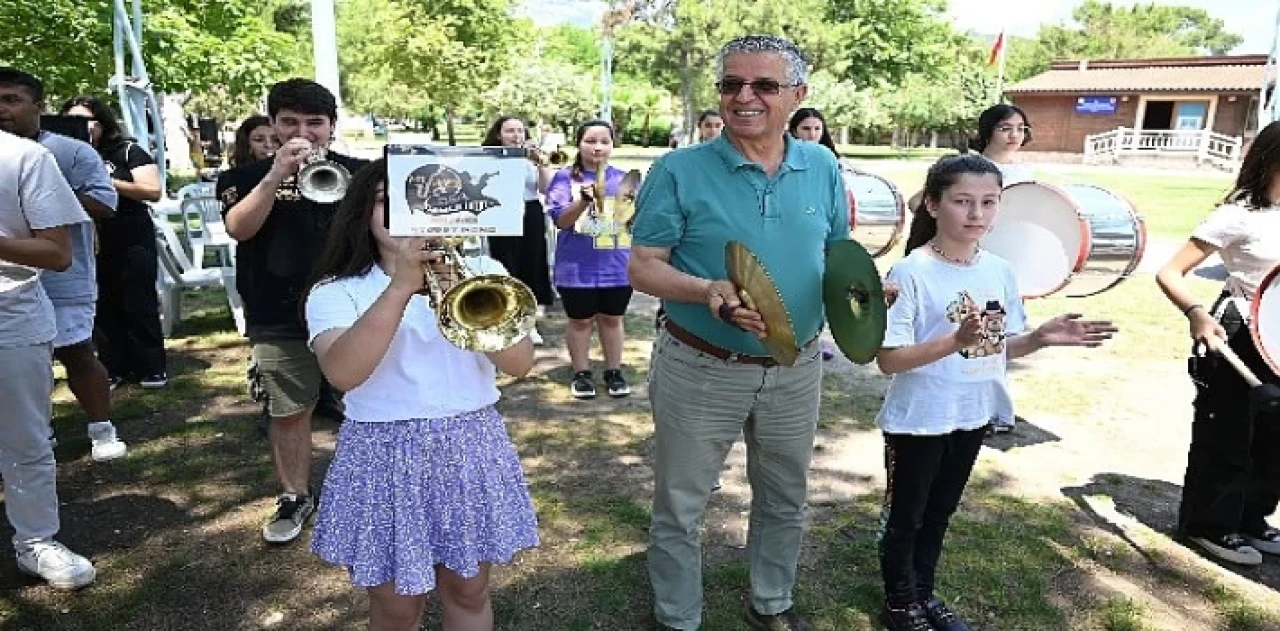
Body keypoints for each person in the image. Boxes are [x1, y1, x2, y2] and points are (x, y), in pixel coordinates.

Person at [629, 35, 848, 631]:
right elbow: (643, 265)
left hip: (795, 366)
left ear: (798, 96)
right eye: (731, 84)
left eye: (764, 85)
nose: (743, 97)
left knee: (784, 499)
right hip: (700, 366)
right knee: (681, 505)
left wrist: (862, 293)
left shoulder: (823, 165)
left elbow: (835, 253)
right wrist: (707, 291)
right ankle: (678, 618)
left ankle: (770, 603)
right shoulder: (678, 170)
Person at [875, 154, 1115, 631]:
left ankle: (923, 596)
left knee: (940, 514)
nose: (976, 214)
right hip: (920, 418)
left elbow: (995, 350)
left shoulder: (1001, 271)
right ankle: (901, 604)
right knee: (907, 518)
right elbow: (888, 359)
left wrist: (1040, 338)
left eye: (988, 202)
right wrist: (954, 340)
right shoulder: (911, 272)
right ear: (934, 205)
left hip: (972, 414)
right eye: (963, 202)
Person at [304, 159, 539, 631]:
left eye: (424, 199)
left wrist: (459, 287)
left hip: (470, 445)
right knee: (398, 605)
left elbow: (520, 364)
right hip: (382, 454)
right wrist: (401, 288)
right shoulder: (336, 291)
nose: (408, 211)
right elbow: (343, 374)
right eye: (388, 200)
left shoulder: (484, 271)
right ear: (362, 214)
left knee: (469, 591)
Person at [216, 78, 369, 544]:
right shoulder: (242, 177)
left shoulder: (361, 174)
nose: (303, 131)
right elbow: (239, 229)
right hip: (277, 310)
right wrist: (273, 175)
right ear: (275, 126)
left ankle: (370, 488)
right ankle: (295, 494)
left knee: (370, 403)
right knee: (288, 410)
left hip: (353, 308)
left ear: (332, 127)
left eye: (314, 122)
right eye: (290, 122)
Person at [1155, 119, 1280, 567]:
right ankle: (1208, 524)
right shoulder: (1238, 216)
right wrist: (1196, 313)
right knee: (1228, 431)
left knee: (1274, 436)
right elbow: (1169, 271)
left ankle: (1251, 517)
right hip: (1239, 333)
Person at [0, 68, 128, 462]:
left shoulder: (72, 152)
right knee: (19, 365)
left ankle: (101, 428)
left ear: (37, 105)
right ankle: (37, 432)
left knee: (76, 353)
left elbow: (107, 203)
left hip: (64, 275)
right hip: (9, 284)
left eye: (12, 100)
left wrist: (46, 192)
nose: (2, 109)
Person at [0, 129, 98, 589]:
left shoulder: (22, 156)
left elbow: (58, 252)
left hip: (9, 315)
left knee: (24, 439)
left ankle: (36, 541)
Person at [60, 96, 167, 401]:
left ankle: (151, 366)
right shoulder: (64, 155)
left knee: (138, 296)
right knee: (102, 302)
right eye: (74, 121)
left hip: (130, 231)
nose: (82, 128)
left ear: (103, 122)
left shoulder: (126, 151)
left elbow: (152, 190)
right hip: (87, 235)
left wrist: (106, 182)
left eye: (88, 120)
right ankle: (114, 366)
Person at [546, 120, 634, 400]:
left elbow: (631, 222)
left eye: (604, 141)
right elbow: (561, 220)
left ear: (612, 145)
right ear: (579, 144)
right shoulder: (564, 179)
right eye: (590, 141)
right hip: (576, 267)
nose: (597, 147)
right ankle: (581, 373)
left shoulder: (625, 178)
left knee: (612, 319)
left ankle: (613, 371)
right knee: (580, 321)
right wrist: (583, 201)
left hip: (617, 266)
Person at [788, 106, 856, 362]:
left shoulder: (831, 161)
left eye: (817, 128)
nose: (812, 133)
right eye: (806, 128)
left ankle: (817, 335)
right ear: (794, 130)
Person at [482, 115, 554, 346]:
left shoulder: (531, 159)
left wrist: (541, 164)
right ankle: (506, 318)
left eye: (520, 131)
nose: (516, 136)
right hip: (502, 213)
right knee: (505, 265)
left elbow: (545, 189)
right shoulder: (490, 159)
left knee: (531, 264)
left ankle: (528, 322)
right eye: (510, 131)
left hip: (530, 212)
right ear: (498, 135)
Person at [969, 103, 1034, 185]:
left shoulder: (1024, 170)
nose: (1014, 135)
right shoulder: (971, 170)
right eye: (1005, 129)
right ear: (987, 130)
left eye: (1020, 129)